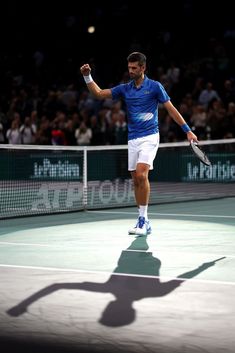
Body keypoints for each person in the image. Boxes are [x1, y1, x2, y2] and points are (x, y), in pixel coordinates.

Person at [80, 52, 198, 236]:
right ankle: (143, 220)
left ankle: (142, 221)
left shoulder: (155, 87)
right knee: (136, 180)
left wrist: (187, 130)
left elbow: (171, 109)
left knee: (142, 175)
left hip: (150, 137)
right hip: (133, 139)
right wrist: (87, 76)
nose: (131, 71)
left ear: (143, 68)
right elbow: (98, 94)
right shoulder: (125, 89)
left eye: (134, 68)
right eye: (129, 68)